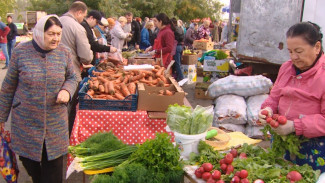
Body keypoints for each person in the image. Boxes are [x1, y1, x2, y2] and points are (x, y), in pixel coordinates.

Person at [0, 15, 78, 183]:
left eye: (58, 34)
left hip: (55, 122)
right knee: (31, 164)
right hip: (27, 123)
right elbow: (8, 86)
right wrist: (1, 117)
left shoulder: (64, 52)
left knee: (54, 170)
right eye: (51, 34)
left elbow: (73, 77)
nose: (56, 38)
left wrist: (67, 90)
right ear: (39, 31)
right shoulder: (21, 51)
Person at [258, 22, 325, 172]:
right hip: (282, 140)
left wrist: (295, 126)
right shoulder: (286, 68)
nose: (294, 57)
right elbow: (274, 96)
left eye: (299, 51)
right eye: (290, 51)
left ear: (317, 47)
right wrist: (268, 108)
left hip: (313, 147)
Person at [60, 1, 93, 135]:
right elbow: (86, 56)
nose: (82, 20)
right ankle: (66, 139)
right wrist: (87, 59)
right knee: (69, 111)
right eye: (83, 16)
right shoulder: (77, 27)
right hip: (71, 74)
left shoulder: (55, 21)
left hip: (53, 74)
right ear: (79, 12)